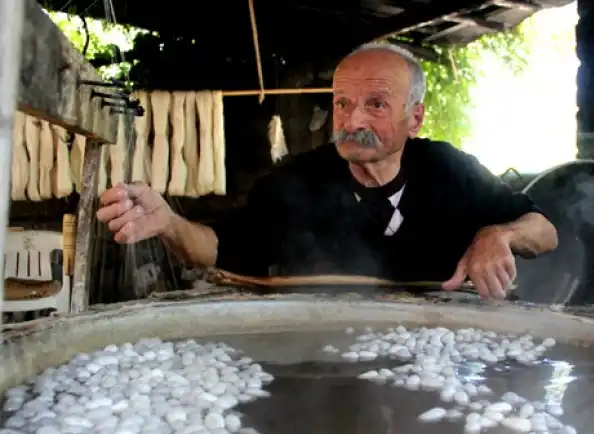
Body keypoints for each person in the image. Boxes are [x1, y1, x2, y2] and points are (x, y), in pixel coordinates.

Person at [97, 43, 558, 300]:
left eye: (375, 104)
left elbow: (544, 231)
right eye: (343, 103)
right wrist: (169, 222)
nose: (353, 121)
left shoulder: (450, 171)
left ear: (413, 119)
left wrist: (498, 235)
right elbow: (217, 249)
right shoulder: (293, 183)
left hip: (437, 358)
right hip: (324, 366)